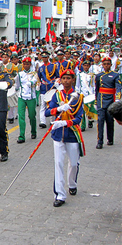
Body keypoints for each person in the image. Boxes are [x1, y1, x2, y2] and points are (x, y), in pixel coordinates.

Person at [45, 69, 85, 207]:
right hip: (58, 134)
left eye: (69, 78)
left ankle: (72, 183)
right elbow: (47, 111)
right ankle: (60, 195)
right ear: (60, 80)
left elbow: (79, 118)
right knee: (59, 164)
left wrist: (66, 122)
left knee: (73, 163)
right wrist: (58, 110)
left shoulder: (78, 97)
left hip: (72, 134)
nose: (66, 81)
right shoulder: (56, 96)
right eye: (64, 78)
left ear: (73, 80)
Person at [95, 57, 122, 149]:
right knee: (100, 121)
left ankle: (110, 139)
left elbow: (118, 88)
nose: (106, 65)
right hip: (101, 101)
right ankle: (100, 141)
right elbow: (97, 89)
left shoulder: (115, 75)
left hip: (111, 100)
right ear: (102, 65)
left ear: (111, 65)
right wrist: (95, 101)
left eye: (108, 64)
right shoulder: (99, 76)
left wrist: (118, 99)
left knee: (110, 121)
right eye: (104, 64)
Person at [15, 57, 37, 143]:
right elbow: (17, 84)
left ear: (30, 65)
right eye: (24, 64)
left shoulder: (34, 73)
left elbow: (35, 81)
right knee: (21, 116)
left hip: (31, 97)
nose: (26, 65)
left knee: (32, 116)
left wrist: (31, 82)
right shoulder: (20, 74)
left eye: (27, 64)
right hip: (22, 97)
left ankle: (33, 131)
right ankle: (21, 136)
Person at [37, 51, 59, 128]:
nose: (44, 58)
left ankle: (52, 120)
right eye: (43, 57)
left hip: (51, 87)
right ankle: (42, 121)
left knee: (52, 104)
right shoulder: (41, 68)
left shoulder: (53, 66)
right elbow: (39, 78)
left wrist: (56, 82)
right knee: (43, 105)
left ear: (48, 57)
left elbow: (58, 76)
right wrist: (38, 84)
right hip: (43, 87)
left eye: (46, 57)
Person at [75, 60, 97, 131]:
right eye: (85, 66)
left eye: (87, 66)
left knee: (90, 108)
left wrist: (94, 93)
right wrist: (78, 93)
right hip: (82, 94)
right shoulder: (80, 75)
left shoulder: (92, 75)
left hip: (90, 94)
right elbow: (77, 85)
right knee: (82, 110)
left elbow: (93, 85)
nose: (86, 67)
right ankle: (83, 125)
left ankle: (90, 121)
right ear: (83, 66)